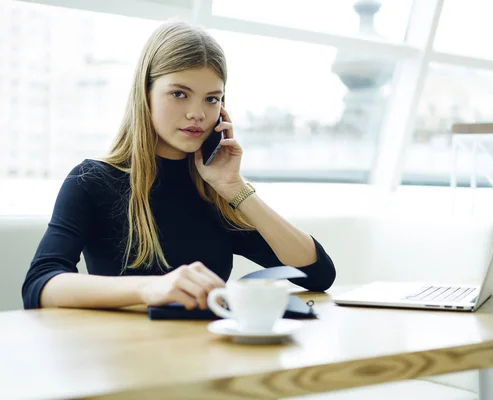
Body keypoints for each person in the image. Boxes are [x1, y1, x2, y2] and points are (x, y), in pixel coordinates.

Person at [22, 21, 336, 310]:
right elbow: (39, 286)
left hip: (209, 356)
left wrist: (235, 188)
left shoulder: (214, 192)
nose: (196, 113)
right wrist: (150, 288)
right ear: (145, 94)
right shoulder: (92, 180)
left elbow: (317, 274)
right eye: (179, 94)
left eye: (211, 99)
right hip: (125, 358)